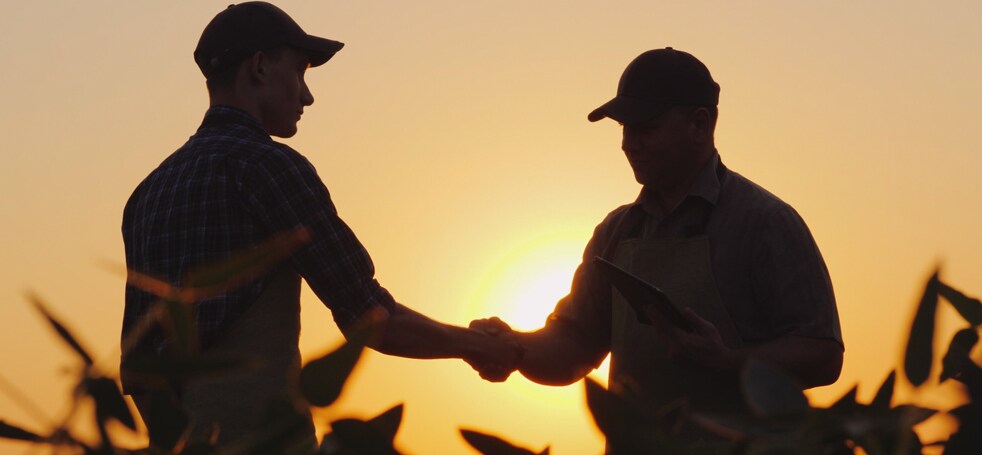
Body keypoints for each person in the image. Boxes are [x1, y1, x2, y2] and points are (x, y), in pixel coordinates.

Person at [120, 2, 517, 446]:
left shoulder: (146, 195)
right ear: (259, 68)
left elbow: (137, 369)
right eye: (300, 71)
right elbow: (369, 316)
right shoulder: (269, 168)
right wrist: (478, 346)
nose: (307, 96)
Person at [469, 48, 844, 448]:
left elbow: (823, 356)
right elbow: (572, 349)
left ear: (701, 124)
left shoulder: (766, 224)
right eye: (624, 129)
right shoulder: (615, 231)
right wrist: (512, 347)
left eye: (645, 126)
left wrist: (726, 360)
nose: (629, 144)